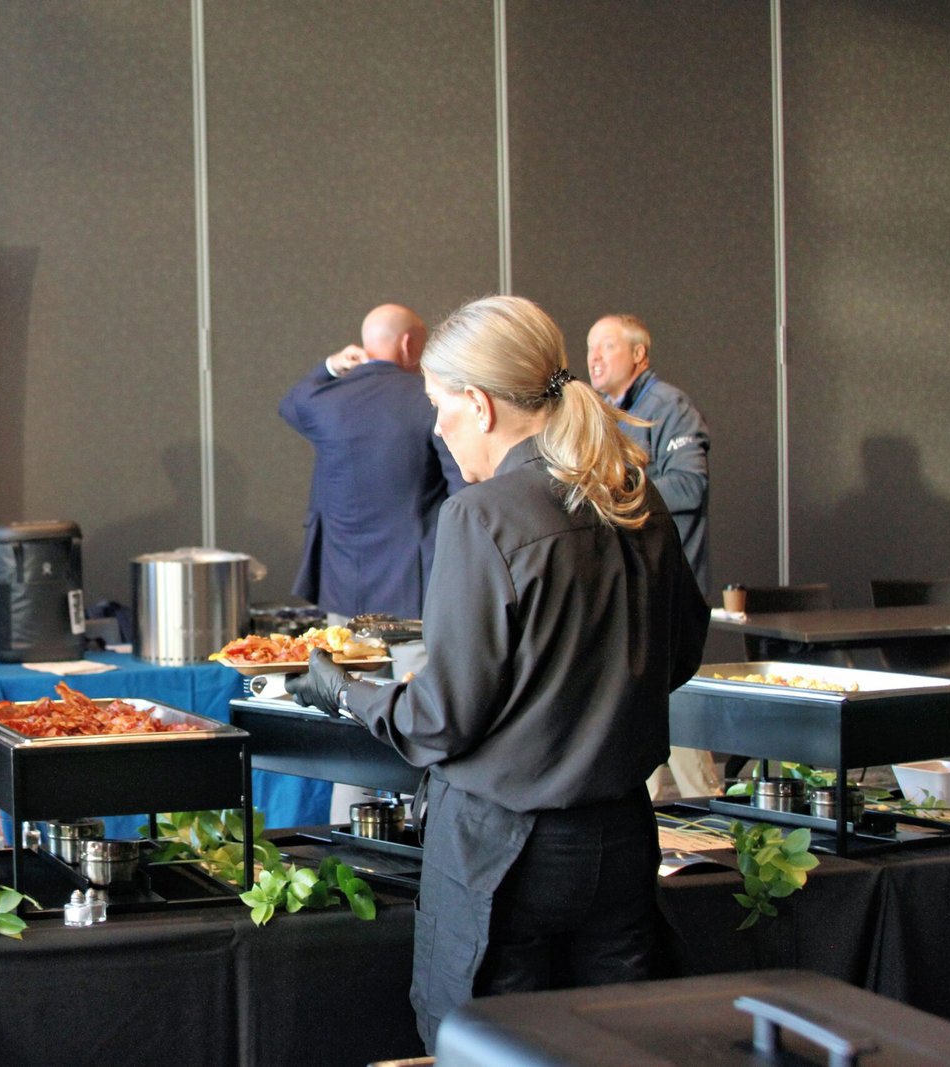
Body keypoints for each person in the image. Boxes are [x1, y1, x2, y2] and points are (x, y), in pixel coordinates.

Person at [287, 296, 709, 1051]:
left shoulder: (482, 516)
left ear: (479, 405)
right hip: (621, 842)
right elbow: (680, 655)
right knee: (617, 1048)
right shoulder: (634, 497)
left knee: (490, 1047)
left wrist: (344, 691)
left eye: (439, 407)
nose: (438, 429)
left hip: (504, 854)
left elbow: (439, 722)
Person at [588, 313, 719, 799]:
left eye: (607, 346)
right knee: (638, 731)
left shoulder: (669, 406)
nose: (594, 357)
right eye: (590, 347)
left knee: (678, 719)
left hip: (667, 589)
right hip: (625, 589)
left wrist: (611, 492)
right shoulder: (602, 413)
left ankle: (714, 826)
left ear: (639, 354)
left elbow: (689, 486)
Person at [280, 303, 463, 623]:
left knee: (344, 657)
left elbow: (291, 404)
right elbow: (461, 489)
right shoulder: (431, 399)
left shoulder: (327, 400)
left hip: (342, 584)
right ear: (408, 343)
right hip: (415, 585)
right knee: (416, 658)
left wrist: (330, 366)